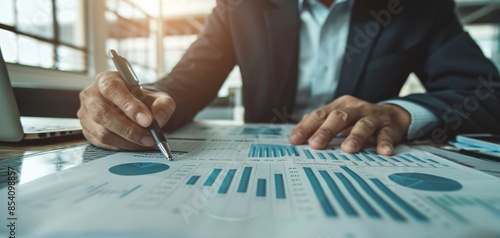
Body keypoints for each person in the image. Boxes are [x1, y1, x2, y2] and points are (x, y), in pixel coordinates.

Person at [78, 0, 500, 156]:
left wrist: (398, 113)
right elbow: (188, 81)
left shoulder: (418, 7)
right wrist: (144, 102)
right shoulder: (240, 7)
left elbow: (487, 93)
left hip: (360, 163)